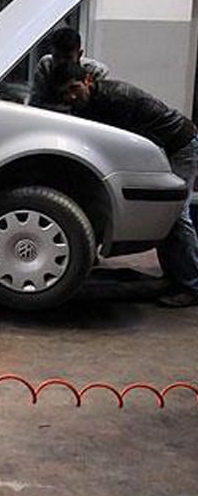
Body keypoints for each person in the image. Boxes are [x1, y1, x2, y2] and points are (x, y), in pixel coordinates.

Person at [49, 61, 198, 307]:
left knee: (175, 216)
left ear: (88, 81)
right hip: (162, 146)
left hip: (180, 145)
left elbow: (125, 143)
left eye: (74, 88)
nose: (71, 96)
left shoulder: (117, 98)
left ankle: (191, 285)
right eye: (65, 93)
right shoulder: (86, 104)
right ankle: (175, 277)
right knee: (166, 215)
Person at [28, 26, 108, 110]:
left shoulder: (96, 71)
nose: (61, 62)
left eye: (67, 57)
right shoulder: (46, 65)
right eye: (57, 57)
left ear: (79, 55)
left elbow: (99, 106)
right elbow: (35, 103)